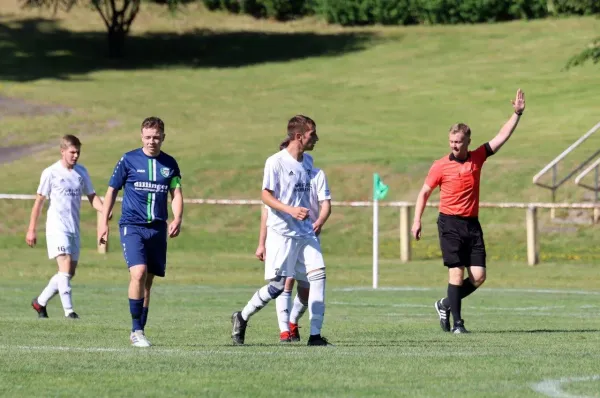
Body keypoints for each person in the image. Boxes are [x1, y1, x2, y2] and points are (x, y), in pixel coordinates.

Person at [411, 89, 526, 334]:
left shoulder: (478, 157)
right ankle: (458, 325)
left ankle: (445, 303)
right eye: (451, 141)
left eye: (459, 142)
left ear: (467, 142)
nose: (454, 145)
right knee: (456, 272)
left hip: (472, 224)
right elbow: (423, 193)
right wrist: (416, 220)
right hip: (449, 224)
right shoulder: (440, 165)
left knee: (479, 276)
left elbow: (501, 137)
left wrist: (516, 114)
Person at [232, 114, 331, 346]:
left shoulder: (308, 162)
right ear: (299, 136)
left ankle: (315, 335)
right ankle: (242, 316)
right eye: (312, 134)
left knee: (319, 276)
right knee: (277, 287)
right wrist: (290, 210)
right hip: (282, 233)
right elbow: (265, 195)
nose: (316, 138)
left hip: (305, 233)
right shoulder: (274, 162)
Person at [98, 117, 183, 348]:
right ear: (141, 137)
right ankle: (136, 330)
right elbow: (112, 190)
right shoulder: (128, 159)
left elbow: (175, 193)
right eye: (148, 137)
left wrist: (177, 218)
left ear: (163, 137)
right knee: (138, 272)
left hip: (157, 229)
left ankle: (140, 330)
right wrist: (103, 221)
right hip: (132, 226)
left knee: (148, 282)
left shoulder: (170, 164)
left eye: (156, 137)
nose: (152, 141)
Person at [255, 143, 332, 343]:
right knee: (284, 282)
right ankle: (285, 332)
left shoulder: (314, 173)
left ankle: (293, 321)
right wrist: (262, 243)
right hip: (287, 235)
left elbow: (326, 204)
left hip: (308, 235)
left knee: (307, 289)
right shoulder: (276, 169)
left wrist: (319, 222)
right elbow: (266, 212)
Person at [28, 135, 104, 319]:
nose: (76, 155)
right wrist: (31, 229)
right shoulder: (51, 172)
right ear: (62, 151)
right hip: (56, 227)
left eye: (78, 152)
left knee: (69, 272)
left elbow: (92, 196)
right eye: (72, 152)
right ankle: (69, 312)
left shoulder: (81, 172)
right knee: (65, 265)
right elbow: (39, 202)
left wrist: (104, 210)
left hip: (73, 228)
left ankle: (40, 302)